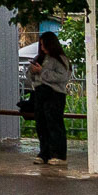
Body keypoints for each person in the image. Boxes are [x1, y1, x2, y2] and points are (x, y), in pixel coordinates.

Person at [27, 31, 72, 166]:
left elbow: (63, 76)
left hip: (54, 94)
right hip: (40, 93)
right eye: (40, 45)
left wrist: (42, 72)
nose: (42, 48)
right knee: (41, 123)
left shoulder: (60, 59)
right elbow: (30, 76)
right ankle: (44, 153)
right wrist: (33, 72)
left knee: (54, 123)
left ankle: (58, 154)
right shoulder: (40, 58)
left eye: (44, 45)